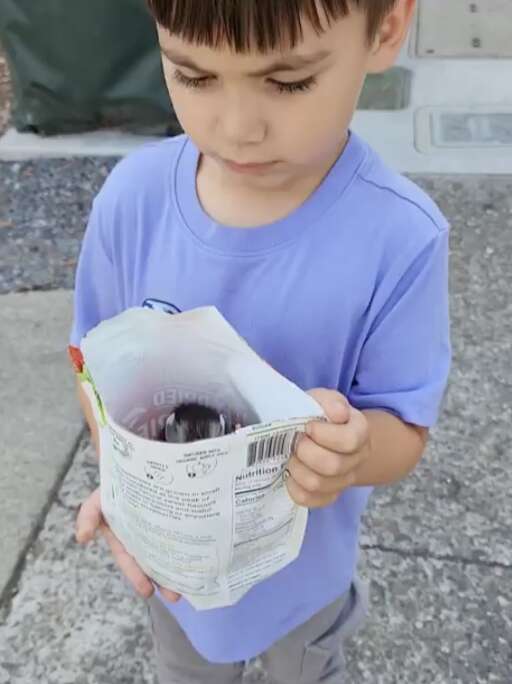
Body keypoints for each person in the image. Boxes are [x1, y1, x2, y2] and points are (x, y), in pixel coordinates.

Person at [70, 0, 451, 681]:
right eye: (193, 75)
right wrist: (123, 487)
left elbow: (404, 424)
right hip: (177, 576)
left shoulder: (400, 239)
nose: (237, 127)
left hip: (300, 582)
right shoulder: (131, 203)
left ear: (386, 28)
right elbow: (91, 366)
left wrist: (354, 450)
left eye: (289, 81)